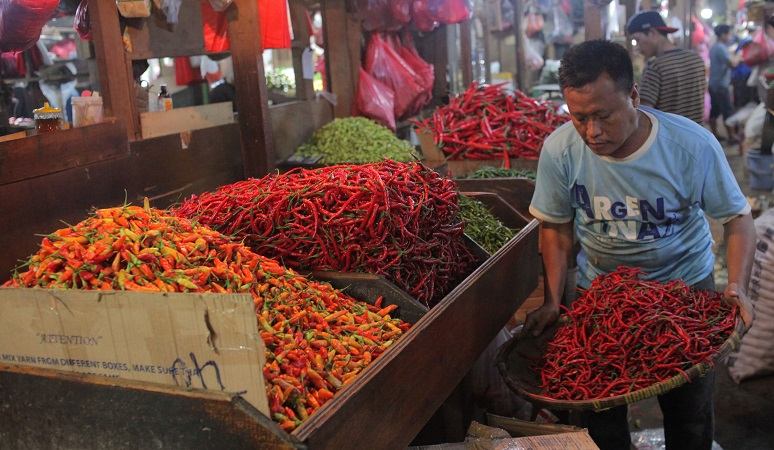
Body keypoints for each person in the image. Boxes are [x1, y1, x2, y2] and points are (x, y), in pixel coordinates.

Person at [524, 39, 755, 450]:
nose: (591, 132)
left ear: (634, 95)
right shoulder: (560, 150)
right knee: (597, 408)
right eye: (578, 117)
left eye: (603, 115)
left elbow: (737, 218)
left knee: (690, 410)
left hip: (684, 293)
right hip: (601, 295)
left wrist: (736, 284)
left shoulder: (691, 146)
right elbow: (556, 228)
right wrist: (552, 299)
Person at [626, 10, 707, 124]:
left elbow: (644, 114)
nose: (638, 48)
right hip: (697, 136)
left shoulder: (655, 66)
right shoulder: (695, 58)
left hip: (669, 139)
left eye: (637, 40)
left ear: (652, 32)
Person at [709, 24, 743, 143]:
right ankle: (731, 136)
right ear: (723, 34)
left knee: (715, 110)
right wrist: (739, 55)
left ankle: (715, 134)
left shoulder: (715, 47)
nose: (730, 36)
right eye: (729, 34)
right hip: (721, 85)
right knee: (727, 110)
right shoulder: (721, 48)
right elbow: (732, 64)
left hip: (714, 83)